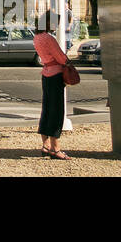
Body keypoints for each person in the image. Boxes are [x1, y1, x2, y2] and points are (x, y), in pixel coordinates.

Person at [34, 27, 72, 160]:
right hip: (55, 74)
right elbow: (61, 57)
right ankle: (55, 148)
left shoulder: (37, 37)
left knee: (47, 109)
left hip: (45, 73)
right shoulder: (49, 38)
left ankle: (45, 144)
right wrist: (68, 62)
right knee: (57, 111)